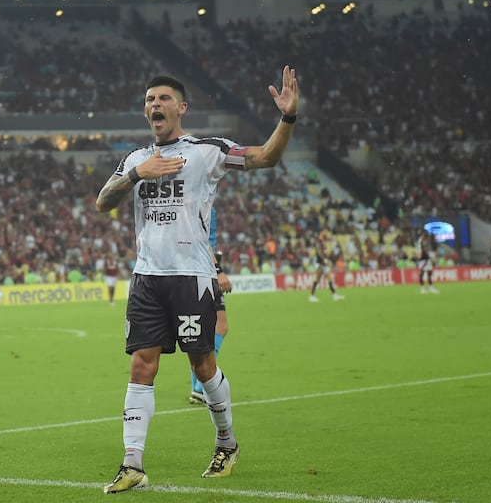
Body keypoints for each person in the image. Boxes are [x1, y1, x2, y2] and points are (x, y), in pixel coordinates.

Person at [95, 66, 299, 493]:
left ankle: (226, 442)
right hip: (147, 278)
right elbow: (103, 202)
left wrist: (287, 118)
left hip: (193, 277)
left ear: (181, 107)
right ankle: (132, 463)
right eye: (150, 100)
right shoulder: (135, 159)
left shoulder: (206, 151)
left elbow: (266, 157)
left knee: (203, 365)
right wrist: (137, 175)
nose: (156, 105)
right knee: (140, 364)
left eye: (164, 99)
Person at [189, 207, 231, 405]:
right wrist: (218, 270)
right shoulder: (200, 200)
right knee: (218, 326)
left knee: (202, 330)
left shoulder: (203, 199)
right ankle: (201, 385)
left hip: (199, 269)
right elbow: (201, 239)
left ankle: (198, 387)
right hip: (204, 271)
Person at [309, 227, 345, 302]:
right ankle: (311, 296)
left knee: (329, 278)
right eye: (325, 232)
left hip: (324, 262)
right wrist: (324, 260)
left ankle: (334, 295)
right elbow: (318, 252)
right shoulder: (318, 241)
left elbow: (325, 249)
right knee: (317, 279)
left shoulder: (323, 240)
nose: (326, 233)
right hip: (320, 262)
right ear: (321, 232)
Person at [417, 228, 439, 294]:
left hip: (426, 258)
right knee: (422, 273)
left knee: (429, 273)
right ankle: (422, 288)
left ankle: (431, 288)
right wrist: (429, 257)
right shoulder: (421, 241)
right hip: (423, 259)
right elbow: (423, 250)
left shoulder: (425, 240)